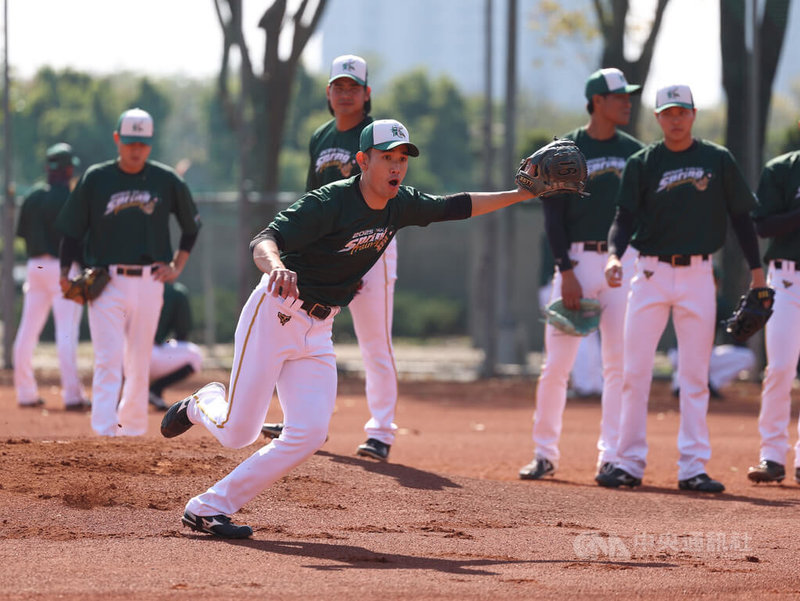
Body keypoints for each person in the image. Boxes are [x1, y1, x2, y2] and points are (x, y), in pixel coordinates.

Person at [160, 119, 537, 539]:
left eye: (402, 159)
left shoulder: (401, 204)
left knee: (308, 433)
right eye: (386, 158)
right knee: (237, 433)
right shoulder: (330, 202)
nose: (396, 167)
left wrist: (523, 193)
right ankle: (202, 403)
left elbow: (457, 205)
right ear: (362, 161)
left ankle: (209, 507)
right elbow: (264, 239)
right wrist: (279, 266)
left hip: (319, 329)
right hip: (274, 315)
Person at [597, 84, 766, 493]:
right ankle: (627, 463)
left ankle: (693, 467)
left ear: (693, 114)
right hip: (650, 273)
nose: (675, 119)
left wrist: (757, 272)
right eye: (668, 112)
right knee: (634, 372)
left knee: (694, 375)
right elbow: (624, 215)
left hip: (697, 276)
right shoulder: (643, 162)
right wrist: (615, 255)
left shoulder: (717, 159)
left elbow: (742, 217)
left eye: (682, 111)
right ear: (658, 118)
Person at [261, 54, 400, 462]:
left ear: (366, 94)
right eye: (338, 86)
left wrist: (359, 259)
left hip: (374, 242)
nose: (345, 93)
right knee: (306, 332)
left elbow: (390, 191)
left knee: (375, 342)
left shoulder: (375, 135)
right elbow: (312, 200)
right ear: (328, 92)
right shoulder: (320, 136)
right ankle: (301, 424)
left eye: (353, 87)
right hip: (328, 250)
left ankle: (381, 433)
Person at [519, 68, 644, 482]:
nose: (627, 101)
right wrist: (565, 270)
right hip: (574, 262)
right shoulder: (565, 150)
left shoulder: (635, 152)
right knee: (556, 367)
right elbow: (552, 217)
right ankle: (544, 453)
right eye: (619, 96)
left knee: (617, 367)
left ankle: (610, 456)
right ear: (596, 102)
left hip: (621, 266)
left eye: (628, 96)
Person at [55, 108, 201, 437]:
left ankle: (133, 430)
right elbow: (72, 229)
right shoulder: (97, 178)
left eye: (143, 143)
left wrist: (178, 265)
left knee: (139, 360)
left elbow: (191, 226)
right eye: (131, 141)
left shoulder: (165, 180)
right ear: (118, 139)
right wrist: (65, 271)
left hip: (151, 281)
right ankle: (105, 431)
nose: (136, 149)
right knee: (108, 359)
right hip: (107, 282)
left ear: (150, 144)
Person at [13, 143, 89, 410]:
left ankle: (25, 392)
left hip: (35, 266)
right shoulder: (70, 197)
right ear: (68, 169)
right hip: (63, 269)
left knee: (27, 331)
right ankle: (72, 395)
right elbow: (78, 239)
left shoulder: (32, 196)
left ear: (47, 168)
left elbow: (21, 234)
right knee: (65, 333)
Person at [746, 121, 800, 485]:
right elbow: (763, 226)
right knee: (779, 367)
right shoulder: (782, 169)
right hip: (786, 280)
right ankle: (772, 456)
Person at [667, 267, 756, 399]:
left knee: (747, 357)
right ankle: (682, 382)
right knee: (692, 357)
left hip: (706, 355)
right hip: (681, 354)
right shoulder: (687, 298)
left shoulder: (719, 303)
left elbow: (734, 329)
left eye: (714, 280)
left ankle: (709, 383)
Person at [537, 234, 603, 398]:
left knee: (574, 336)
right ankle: (593, 384)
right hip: (558, 283)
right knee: (588, 335)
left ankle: (585, 385)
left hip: (565, 285)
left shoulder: (563, 229)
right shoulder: (555, 229)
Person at [147, 282, 204, 411]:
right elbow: (182, 332)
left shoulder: (127, 284)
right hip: (148, 355)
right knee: (195, 356)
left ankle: (114, 398)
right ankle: (155, 390)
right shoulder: (175, 291)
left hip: (119, 357)